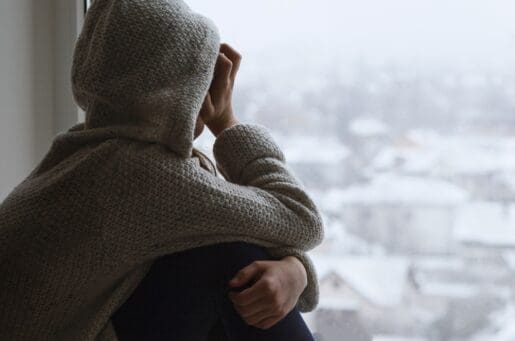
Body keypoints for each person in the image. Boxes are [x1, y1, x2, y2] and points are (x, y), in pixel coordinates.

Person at [0, 0, 324, 340]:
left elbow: (229, 224)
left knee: (219, 254)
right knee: (233, 257)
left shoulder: (84, 151)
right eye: (200, 76)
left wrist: (296, 269)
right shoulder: (143, 175)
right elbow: (300, 218)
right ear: (172, 89)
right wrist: (226, 121)